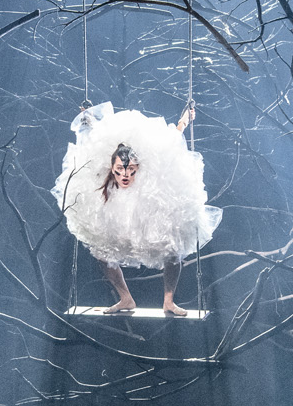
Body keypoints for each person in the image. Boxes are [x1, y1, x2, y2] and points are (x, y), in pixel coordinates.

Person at [52, 101, 221, 316]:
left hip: (145, 209)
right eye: (120, 171)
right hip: (116, 211)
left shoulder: (149, 179)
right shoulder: (105, 178)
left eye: (130, 170)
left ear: (138, 168)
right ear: (111, 169)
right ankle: (125, 298)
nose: (125, 176)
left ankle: (169, 301)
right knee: (101, 253)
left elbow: (172, 140)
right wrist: (88, 117)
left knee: (173, 250)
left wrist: (184, 120)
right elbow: (91, 140)